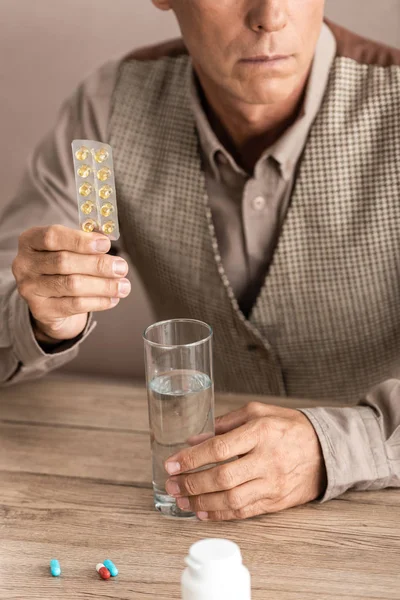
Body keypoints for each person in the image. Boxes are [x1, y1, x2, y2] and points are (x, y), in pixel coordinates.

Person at [1, 0, 399, 521]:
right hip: (188, 511)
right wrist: (42, 316)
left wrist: (336, 447)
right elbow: (11, 287)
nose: (271, 15)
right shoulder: (107, 109)